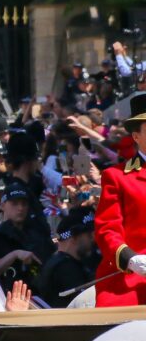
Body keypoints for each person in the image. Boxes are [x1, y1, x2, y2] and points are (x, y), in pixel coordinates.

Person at [95, 94, 146, 306]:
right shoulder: (117, 176)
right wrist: (130, 259)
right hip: (134, 274)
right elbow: (107, 229)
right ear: (136, 136)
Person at [0, 183, 54, 293]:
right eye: (14, 203)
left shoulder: (37, 234)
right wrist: (14, 255)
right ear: (2, 205)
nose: (20, 208)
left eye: (24, 204)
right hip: (2, 297)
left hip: (34, 296)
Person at [39, 207, 96, 307]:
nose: (93, 240)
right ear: (74, 237)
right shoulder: (66, 269)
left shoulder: (56, 262)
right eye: (89, 236)